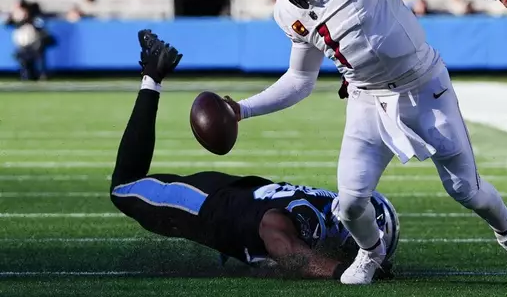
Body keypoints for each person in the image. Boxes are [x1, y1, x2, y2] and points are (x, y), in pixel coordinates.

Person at [225, 0, 507, 285]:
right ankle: (372, 252)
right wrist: (242, 110)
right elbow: (300, 79)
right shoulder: (286, 11)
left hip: (424, 84)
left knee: (467, 190)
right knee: (349, 204)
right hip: (368, 99)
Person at [110, 30, 400, 281]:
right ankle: (152, 77)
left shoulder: (330, 210)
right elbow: (279, 241)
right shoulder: (314, 221)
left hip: (241, 195)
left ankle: (234, 249)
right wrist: (341, 272)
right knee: (123, 189)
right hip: (208, 205)